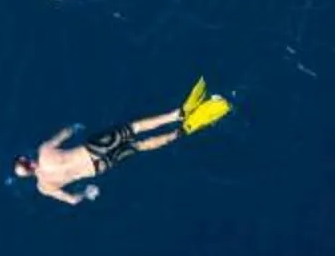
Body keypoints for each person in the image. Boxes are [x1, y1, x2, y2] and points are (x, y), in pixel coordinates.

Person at [14, 80, 231, 205]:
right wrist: (76, 127)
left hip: (98, 168)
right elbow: (67, 132)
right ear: (28, 161)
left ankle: (181, 131)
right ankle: (177, 114)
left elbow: (72, 201)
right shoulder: (44, 152)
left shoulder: (45, 187)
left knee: (138, 146)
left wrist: (87, 192)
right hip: (93, 148)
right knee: (134, 128)